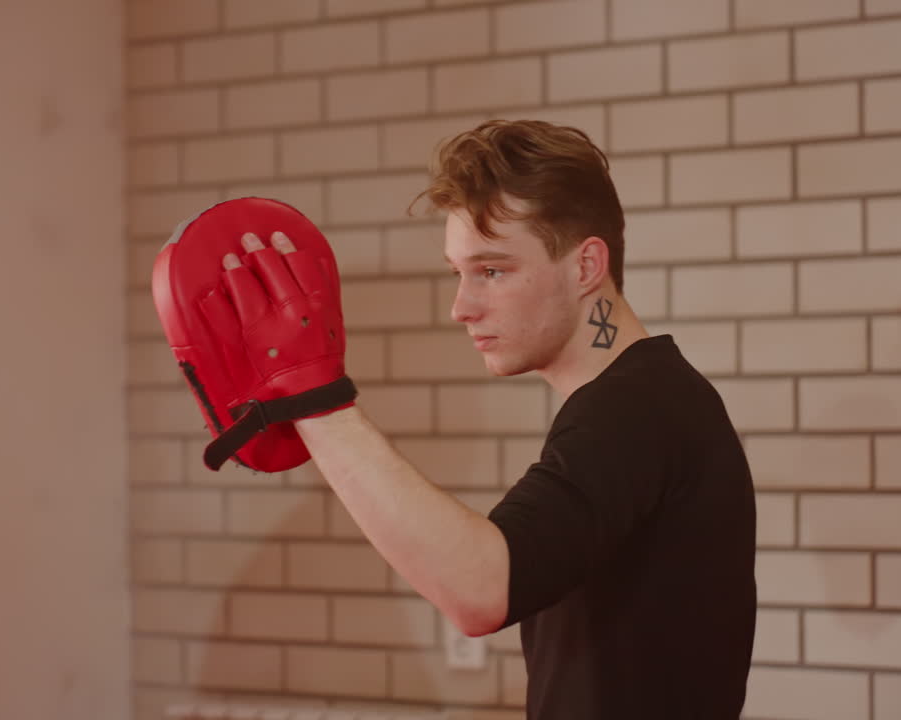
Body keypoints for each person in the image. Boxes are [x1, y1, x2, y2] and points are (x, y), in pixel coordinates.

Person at [222, 120, 757, 719]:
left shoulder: (637, 410)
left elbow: (481, 588)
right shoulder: (641, 402)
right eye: (459, 272)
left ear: (585, 267)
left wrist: (314, 401)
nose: (461, 307)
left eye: (492, 271)